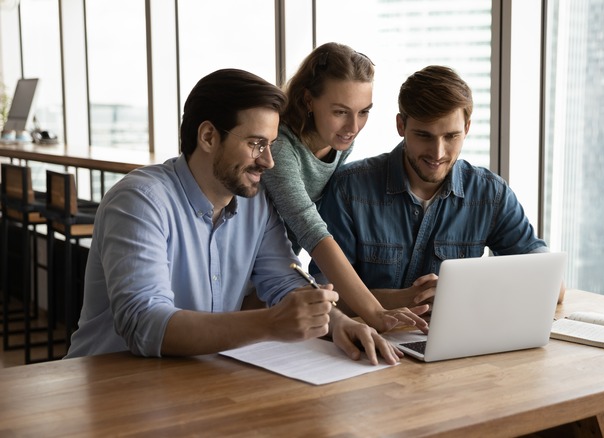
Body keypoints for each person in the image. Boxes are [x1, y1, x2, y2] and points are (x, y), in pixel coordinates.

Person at [65, 68, 399, 365]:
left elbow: (284, 283)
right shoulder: (139, 200)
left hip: (194, 382)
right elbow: (144, 324)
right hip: (108, 389)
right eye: (256, 144)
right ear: (208, 137)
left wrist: (337, 322)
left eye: (271, 145)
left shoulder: (255, 205)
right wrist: (270, 322)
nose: (268, 162)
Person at [313, 65, 565, 314]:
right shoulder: (349, 189)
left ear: (467, 129)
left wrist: (463, 292)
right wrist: (409, 299)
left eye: (451, 136)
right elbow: (326, 296)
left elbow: (554, 287)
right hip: (372, 339)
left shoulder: (490, 194)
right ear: (401, 126)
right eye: (424, 135)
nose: (438, 153)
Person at [262, 42, 428, 332]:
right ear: (308, 100)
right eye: (340, 112)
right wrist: (375, 312)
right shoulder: (280, 147)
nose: (353, 127)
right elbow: (311, 229)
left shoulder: (339, 143)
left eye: (364, 112)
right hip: (247, 274)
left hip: (278, 275)